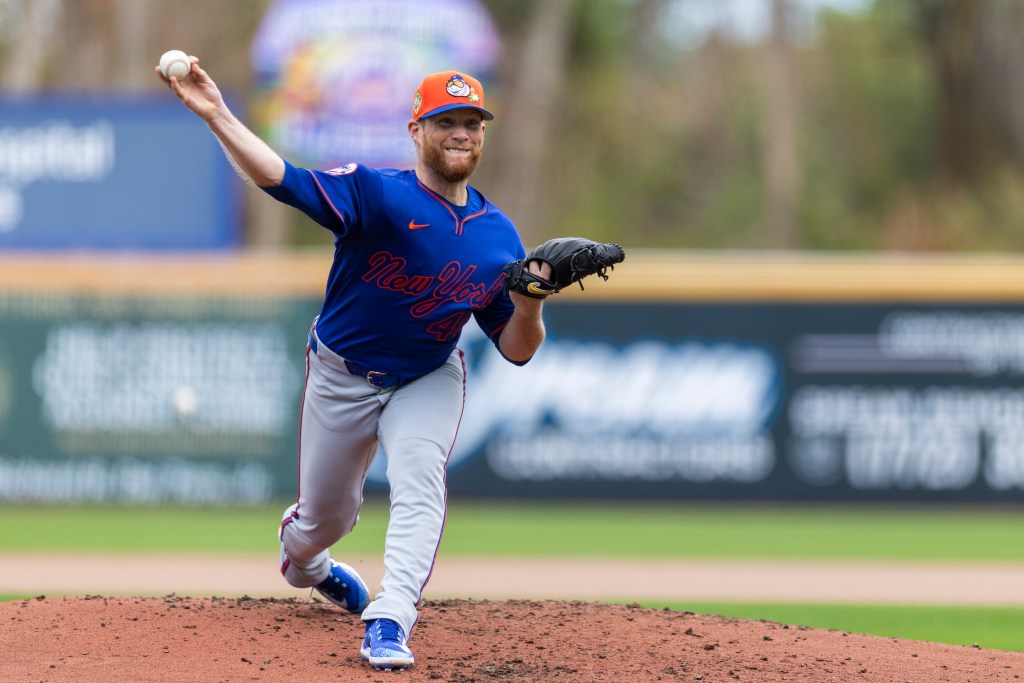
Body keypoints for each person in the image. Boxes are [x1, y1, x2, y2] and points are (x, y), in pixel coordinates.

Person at [157, 59, 549, 671]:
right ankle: (309, 561)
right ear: (416, 130)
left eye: (472, 121)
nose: (461, 133)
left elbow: (518, 348)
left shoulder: (500, 237)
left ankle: (390, 616)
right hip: (342, 373)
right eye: (446, 120)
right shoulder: (375, 191)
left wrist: (529, 305)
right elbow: (282, 179)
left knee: (420, 479)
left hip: (428, 373)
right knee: (324, 521)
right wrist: (217, 115)